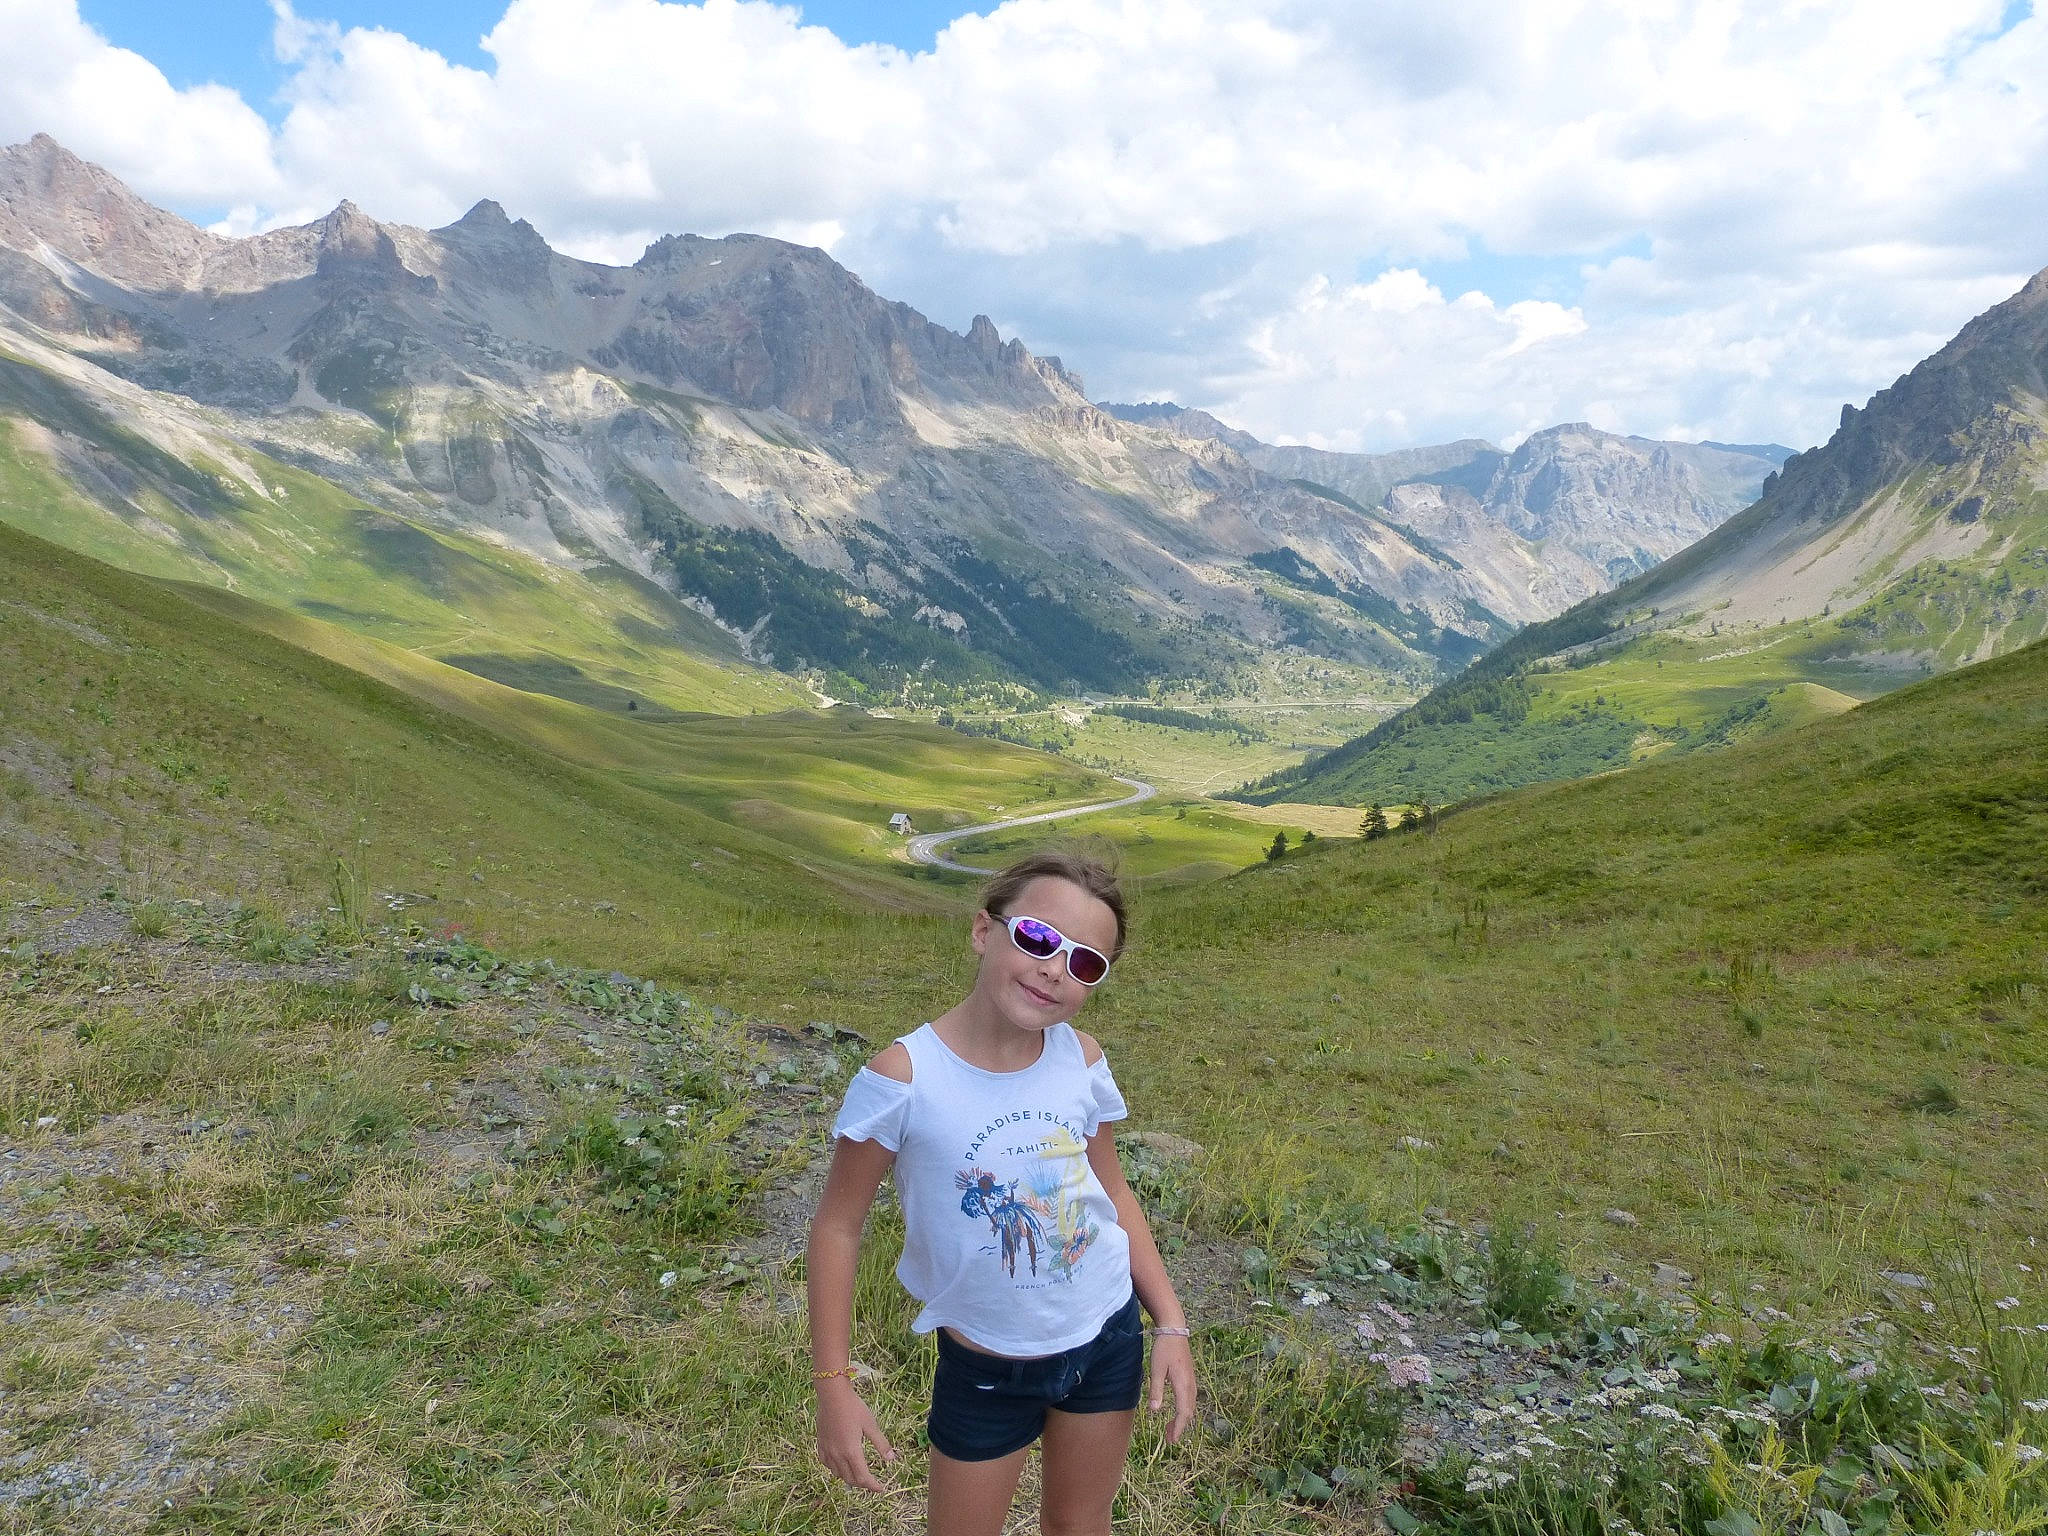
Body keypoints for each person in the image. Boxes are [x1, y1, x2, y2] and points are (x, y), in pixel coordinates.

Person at [806, 850, 1197, 1534]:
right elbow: (839, 1226)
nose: (1054, 968)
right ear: (985, 932)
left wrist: (1170, 1321)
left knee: (1081, 1526)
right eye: (1039, 938)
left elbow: (1113, 1192)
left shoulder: (1082, 1059)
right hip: (987, 1368)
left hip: (1107, 1338)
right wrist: (833, 1386)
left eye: (1085, 963)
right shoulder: (903, 1076)